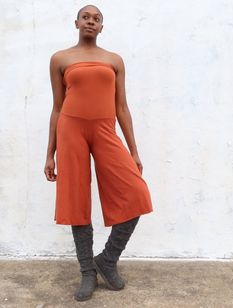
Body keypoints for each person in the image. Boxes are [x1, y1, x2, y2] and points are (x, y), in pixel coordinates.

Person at [44, 4, 153, 302]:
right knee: (76, 199)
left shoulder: (114, 60)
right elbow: (56, 107)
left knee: (136, 193)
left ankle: (107, 259)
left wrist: (134, 150)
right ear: (76, 23)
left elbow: (121, 107)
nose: (91, 21)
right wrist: (49, 153)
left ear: (102, 27)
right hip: (70, 129)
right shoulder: (60, 59)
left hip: (105, 129)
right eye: (86, 17)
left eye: (97, 19)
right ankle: (86, 272)